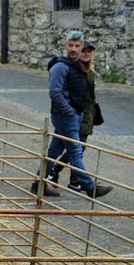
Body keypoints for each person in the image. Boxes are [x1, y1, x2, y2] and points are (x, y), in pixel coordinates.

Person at [31, 30, 112, 200]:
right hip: (65, 116)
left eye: (77, 46)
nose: (73, 49)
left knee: (54, 151)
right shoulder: (60, 66)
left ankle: (38, 184)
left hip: (72, 115)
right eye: (71, 45)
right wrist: (69, 111)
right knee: (75, 151)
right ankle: (90, 187)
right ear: (65, 45)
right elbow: (54, 92)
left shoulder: (75, 65)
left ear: (81, 47)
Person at [47, 41, 102, 187]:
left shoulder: (89, 71)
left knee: (59, 150)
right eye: (84, 51)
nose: (86, 53)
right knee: (76, 150)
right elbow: (57, 92)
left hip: (85, 115)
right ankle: (86, 185)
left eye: (89, 51)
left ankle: (44, 179)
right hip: (75, 115)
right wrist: (70, 111)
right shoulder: (72, 69)